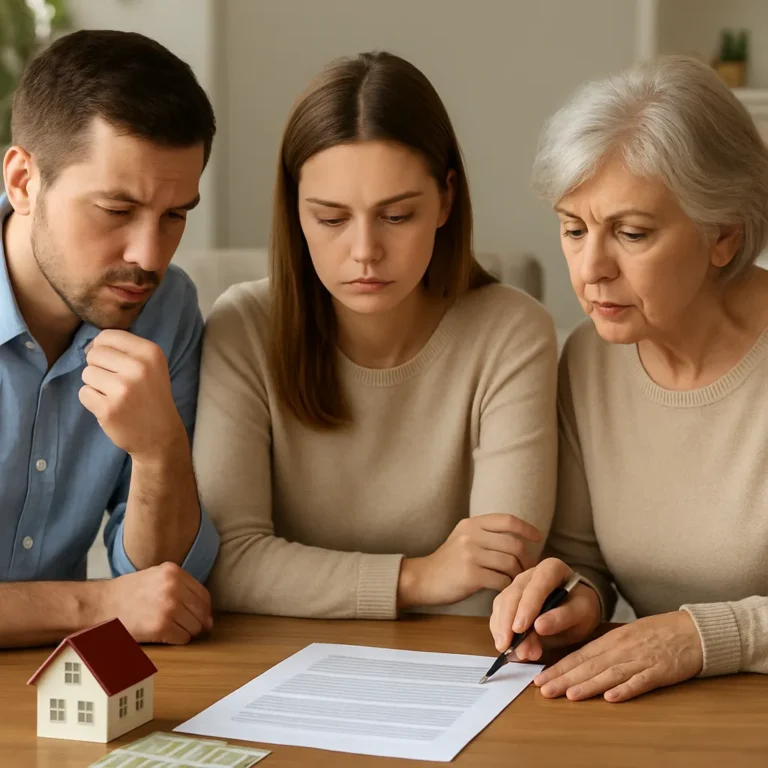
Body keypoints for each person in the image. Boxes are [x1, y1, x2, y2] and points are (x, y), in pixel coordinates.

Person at [194, 51, 558, 620]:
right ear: (294, 210)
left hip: (463, 671)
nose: (364, 251)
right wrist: (417, 578)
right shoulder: (242, 327)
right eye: (332, 219)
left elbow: (499, 573)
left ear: (445, 199)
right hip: (276, 666)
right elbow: (226, 563)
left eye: (396, 216)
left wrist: (306, 579)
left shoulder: (512, 333)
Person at [489, 56, 768, 701]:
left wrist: (698, 638)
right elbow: (585, 559)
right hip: (663, 722)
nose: (590, 269)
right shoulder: (587, 359)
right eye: (573, 228)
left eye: (632, 233)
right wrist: (575, 601)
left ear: (722, 235)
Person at [0, 30, 220, 648]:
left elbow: (160, 592)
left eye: (175, 214)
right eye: (116, 210)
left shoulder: (166, 308)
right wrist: (89, 605)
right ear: (23, 182)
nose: (148, 258)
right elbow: (124, 602)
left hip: (69, 694)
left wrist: (160, 453)